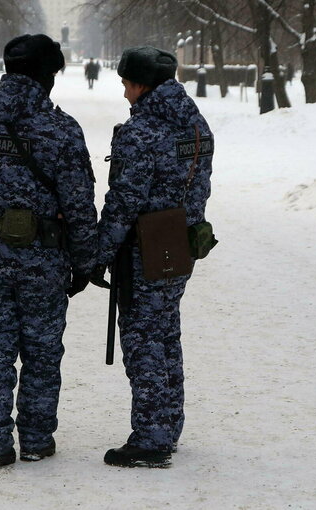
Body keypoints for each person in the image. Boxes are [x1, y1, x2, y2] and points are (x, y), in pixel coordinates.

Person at [0, 34, 98, 468]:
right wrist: (86, 262)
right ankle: (36, 438)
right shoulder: (61, 130)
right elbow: (79, 206)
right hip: (45, 262)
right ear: (48, 75)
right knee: (41, 352)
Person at [94, 46, 215, 468]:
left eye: (127, 84)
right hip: (182, 243)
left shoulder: (140, 132)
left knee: (143, 339)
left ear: (141, 85)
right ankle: (169, 425)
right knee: (166, 335)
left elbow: (124, 201)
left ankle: (151, 438)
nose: (125, 94)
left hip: (144, 247)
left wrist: (98, 252)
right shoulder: (196, 126)